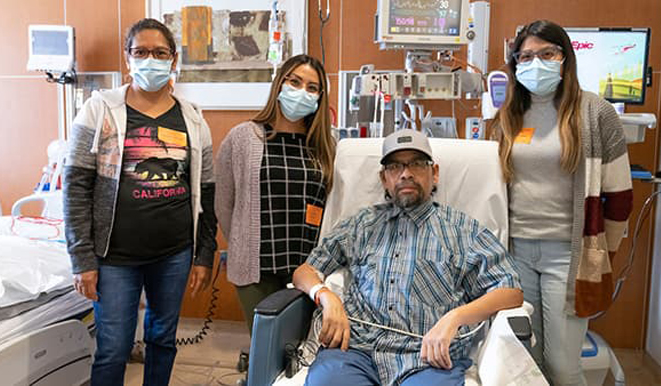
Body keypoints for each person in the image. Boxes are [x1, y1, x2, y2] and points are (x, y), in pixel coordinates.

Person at [292, 129, 523, 386]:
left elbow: (510, 291)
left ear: (434, 173)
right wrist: (326, 295)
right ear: (384, 179)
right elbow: (304, 272)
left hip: (427, 358)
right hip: (355, 352)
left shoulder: (463, 231)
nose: (406, 173)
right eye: (395, 166)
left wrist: (455, 317)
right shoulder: (361, 225)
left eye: (416, 164)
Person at [64, 18, 218, 386]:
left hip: (174, 253)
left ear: (174, 59)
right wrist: (81, 257)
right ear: (128, 58)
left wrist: (203, 254)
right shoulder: (98, 109)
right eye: (141, 51)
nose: (151, 59)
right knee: (114, 348)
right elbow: (75, 188)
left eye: (160, 52)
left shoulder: (193, 118)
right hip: (114, 256)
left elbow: (208, 191)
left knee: (162, 340)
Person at [490, 20, 633, 385]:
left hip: (567, 256)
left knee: (562, 366)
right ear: (515, 64)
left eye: (546, 54)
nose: (535, 62)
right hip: (515, 252)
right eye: (525, 56)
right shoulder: (506, 117)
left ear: (565, 58)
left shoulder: (596, 114)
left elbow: (620, 199)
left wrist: (601, 255)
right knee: (525, 360)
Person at [215, 54, 335, 333]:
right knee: (266, 348)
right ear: (279, 85)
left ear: (319, 97)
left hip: (310, 269)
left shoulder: (327, 147)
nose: (301, 92)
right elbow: (223, 203)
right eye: (294, 82)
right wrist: (242, 242)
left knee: (301, 349)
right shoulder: (243, 137)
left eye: (312, 87)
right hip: (256, 268)